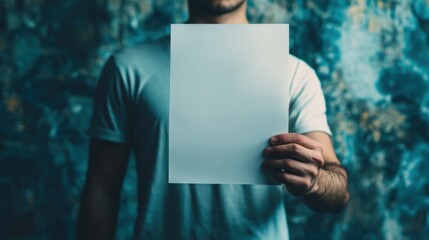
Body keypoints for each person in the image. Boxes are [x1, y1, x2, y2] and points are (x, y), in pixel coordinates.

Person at [77, 0, 350, 239]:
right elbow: (102, 186)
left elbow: (338, 191)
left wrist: (315, 182)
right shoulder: (129, 69)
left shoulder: (294, 74)